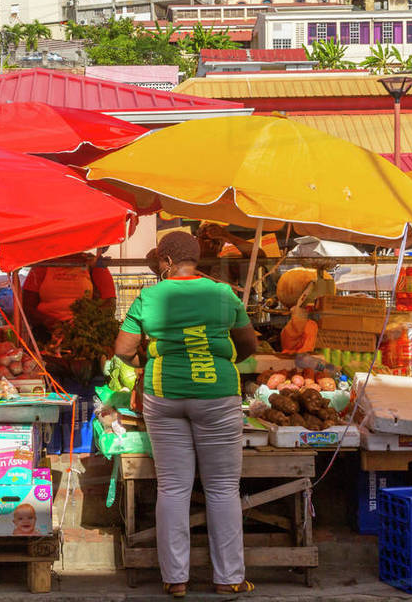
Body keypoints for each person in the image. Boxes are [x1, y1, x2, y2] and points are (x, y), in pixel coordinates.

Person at [114, 231, 258, 597]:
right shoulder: (224, 294)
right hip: (218, 394)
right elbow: (247, 346)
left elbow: (122, 349)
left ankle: (175, 579)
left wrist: (145, 363)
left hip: (165, 394)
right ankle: (229, 579)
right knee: (223, 488)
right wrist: (218, 363)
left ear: (165, 261)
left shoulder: (149, 296)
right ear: (197, 259)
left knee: (173, 488)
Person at [21, 253, 116, 342]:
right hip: (46, 332)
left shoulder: (93, 263)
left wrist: (86, 324)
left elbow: (109, 304)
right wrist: (48, 321)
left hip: (86, 334)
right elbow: (27, 306)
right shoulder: (43, 264)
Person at [197, 223, 265, 291]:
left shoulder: (227, 264)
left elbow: (259, 256)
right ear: (196, 241)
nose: (210, 245)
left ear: (221, 246)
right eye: (205, 239)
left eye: (216, 242)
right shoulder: (189, 263)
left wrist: (227, 236)